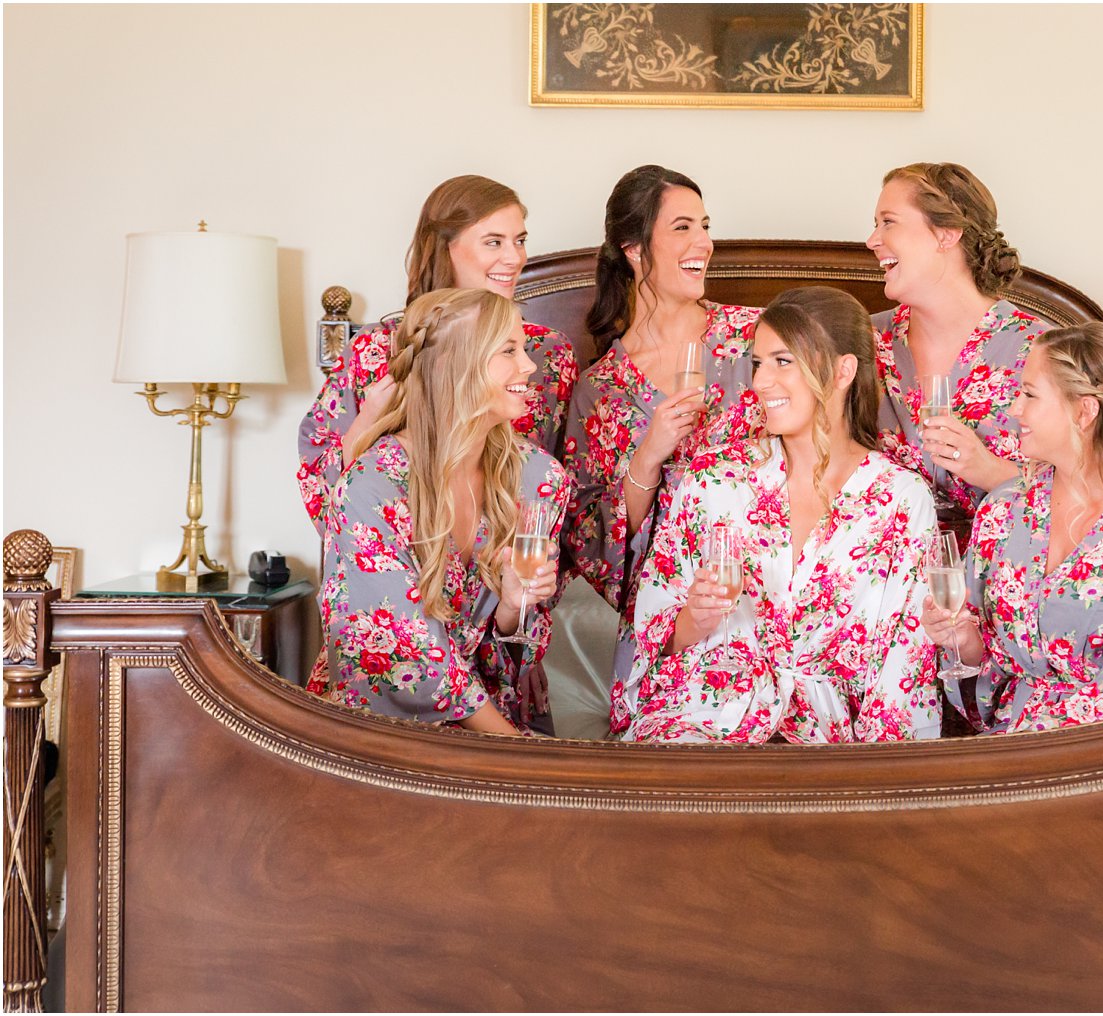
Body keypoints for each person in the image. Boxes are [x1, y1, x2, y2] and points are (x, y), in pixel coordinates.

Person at [621, 287, 940, 744]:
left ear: (843, 370)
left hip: (825, 737)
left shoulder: (900, 499)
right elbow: (657, 635)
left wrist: (877, 782)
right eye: (757, 363)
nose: (759, 382)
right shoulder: (715, 479)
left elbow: (902, 663)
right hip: (700, 714)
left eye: (782, 361)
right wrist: (695, 616)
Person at [922, 322, 1103, 732]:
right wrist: (963, 643)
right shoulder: (1004, 512)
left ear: (1084, 411)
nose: (1013, 410)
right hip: (1011, 751)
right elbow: (985, 671)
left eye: (1029, 394)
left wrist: (1043, 737)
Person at [311, 288, 572, 734]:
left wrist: (512, 607)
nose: (530, 366)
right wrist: (523, 757)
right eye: (509, 350)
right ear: (457, 365)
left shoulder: (538, 478)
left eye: (523, 347)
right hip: (382, 731)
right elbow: (407, 659)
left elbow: (515, 656)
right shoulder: (371, 488)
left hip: (489, 719)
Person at [561, 165, 764, 711]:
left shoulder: (758, 338)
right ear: (633, 249)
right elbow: (591, 548)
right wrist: (647, 458)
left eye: (704, 225)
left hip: (770, 586)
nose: (704, 242)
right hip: (666, 612)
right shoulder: (598, 391)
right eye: (682, 228)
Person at [298, 174, 578, 528]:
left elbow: (560, 493)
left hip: (505, 561)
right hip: (395, 558)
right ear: (445, 246)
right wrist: (370, 417)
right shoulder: (378, 349)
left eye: (519, 240)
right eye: (494, 242)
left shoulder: (547, 354)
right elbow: (331, 498)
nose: (515, 258)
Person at [865, 162, 1050, 535]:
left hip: (997, 573)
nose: (872, 240)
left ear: (946, 234)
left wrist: (989, 470)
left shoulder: (1040, 352)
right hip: (882, 575)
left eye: (888, 222)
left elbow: (1089, 493)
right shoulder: (864, 342)